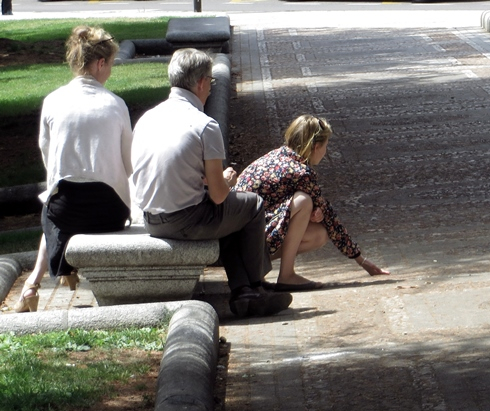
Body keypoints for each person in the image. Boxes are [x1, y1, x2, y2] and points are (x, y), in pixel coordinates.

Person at [130, 48, 290, 317]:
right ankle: (256, 285)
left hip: (150, 218)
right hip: (184, 220)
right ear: (202, 83)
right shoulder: (204, 125)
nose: (210, 90)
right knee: (251, 205)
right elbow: (218, 196)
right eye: (211, 83)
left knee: (226, 220)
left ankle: (244, 293)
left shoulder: (147, 118)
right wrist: (226, 180)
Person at [6, 25, 132, 314]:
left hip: (66, 213)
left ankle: (33, 286)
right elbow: (129, 164)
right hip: (109, 213)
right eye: (110, 65)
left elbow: (48, 158)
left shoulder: (52, 101)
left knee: (52, 208)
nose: (110, 72)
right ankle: (54, 275)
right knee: (58, 206)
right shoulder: (116, 105)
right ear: (100, 63)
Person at [234, 114, 389, 292]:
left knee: (318, 233)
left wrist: (315, 211)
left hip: (237, 235)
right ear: (316, 147)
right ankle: (286, 275)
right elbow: (330, 219)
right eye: (325, 146)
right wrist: (361, 261)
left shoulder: (276, 156)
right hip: (242, 242)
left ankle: (255, 271)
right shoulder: (301, 172)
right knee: (304, 202)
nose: (325, 152)